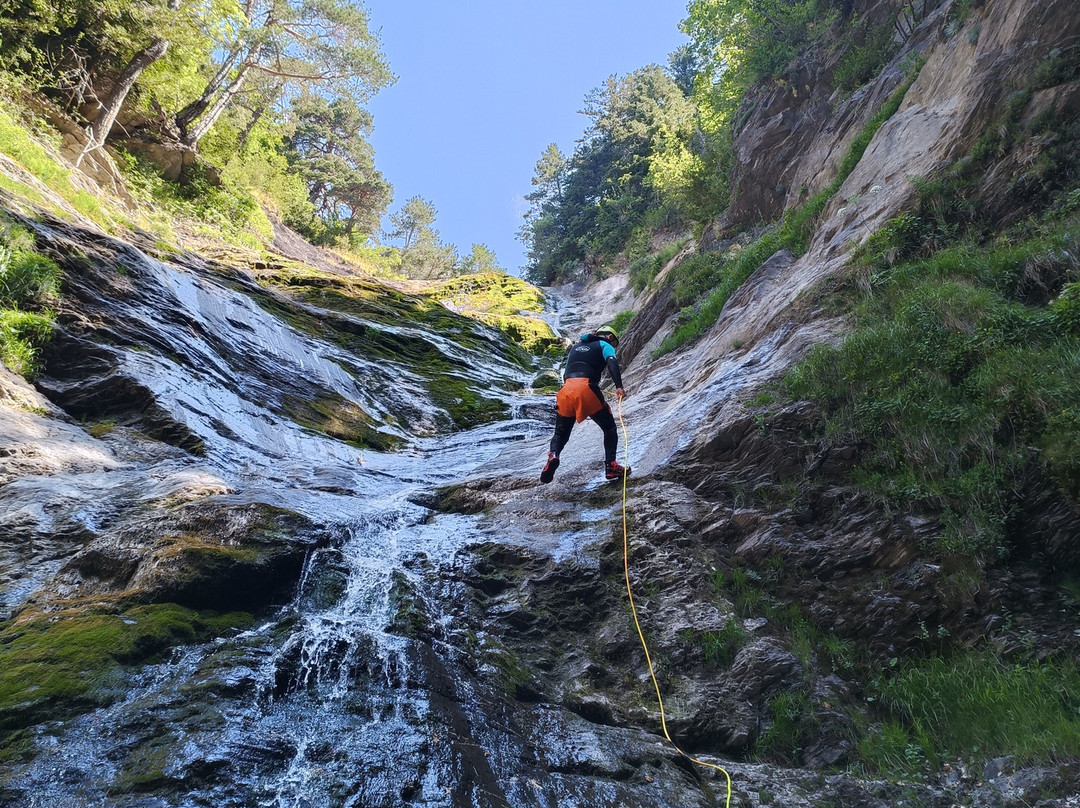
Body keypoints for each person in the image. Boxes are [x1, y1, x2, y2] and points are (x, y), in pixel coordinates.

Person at [540, 325, 631, 483]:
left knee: (560, 434)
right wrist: (619, 387)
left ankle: (553, 455)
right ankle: (611, 466)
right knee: (609, 428)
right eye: (614, 342)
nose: (613, 345)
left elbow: (567, 371)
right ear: (610, 336)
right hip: (587, 388)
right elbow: (612, 363)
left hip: (566, 390)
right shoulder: (605, 345)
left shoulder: (576, 347)